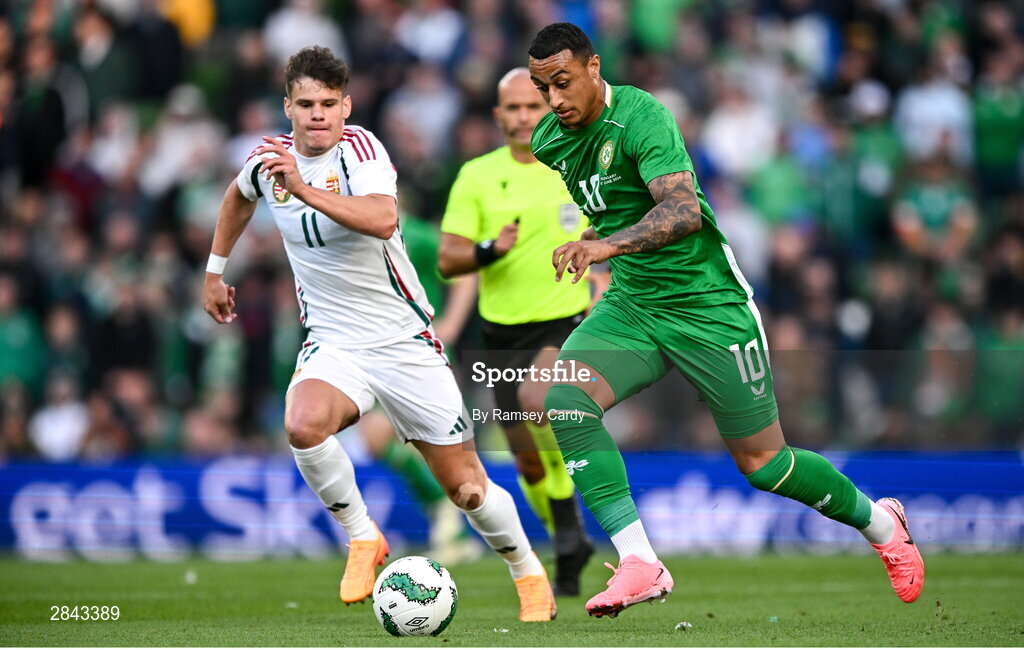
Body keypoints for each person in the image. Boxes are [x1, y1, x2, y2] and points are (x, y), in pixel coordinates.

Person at [526, 23, 925, 618]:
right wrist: (595, 240)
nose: (554, 101)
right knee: (566, 401)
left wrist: (605, 246)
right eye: (542, 90)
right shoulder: (549, 140)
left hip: (707, 305)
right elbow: (614, 205)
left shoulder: (642, 117)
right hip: (634, 304)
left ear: (593, 67)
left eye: (561, 83)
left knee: (765, 464)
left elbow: (683, 211)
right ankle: (640, 562)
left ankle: (881, 523)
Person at [202, 46, 556, 622]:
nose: (317, 115)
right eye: (305, 104)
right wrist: (216, 270)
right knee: (302, 423)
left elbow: (382, 218)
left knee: (467, 489)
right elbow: (239, 197)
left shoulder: (362, 150)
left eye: (328, 104)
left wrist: (303, 187)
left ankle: (527, 572)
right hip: (334, 342)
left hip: (403, 343)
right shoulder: (269, 163)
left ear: (346, 106)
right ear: (286, 108)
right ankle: (364, 538)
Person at [437, 67, 604, 596]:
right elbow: (448, 259)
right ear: (497, 116)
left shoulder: (575, 162)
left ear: (549, 105)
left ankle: (572, 530)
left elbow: (607, 230)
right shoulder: (477, 176)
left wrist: (602, 286)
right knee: (527, 459)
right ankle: (568, 534)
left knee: (538, 401)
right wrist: (489, 250)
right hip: (500, 330)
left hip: (564, 317)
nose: (524, 116)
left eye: (533, 106)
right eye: (513, 108)